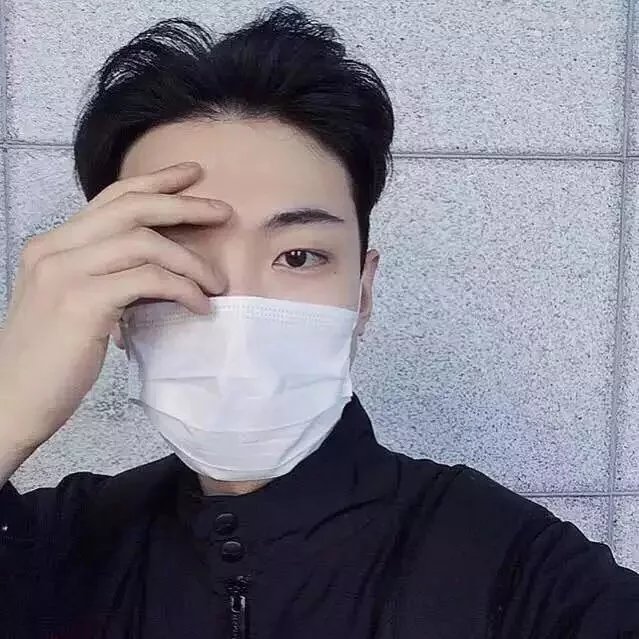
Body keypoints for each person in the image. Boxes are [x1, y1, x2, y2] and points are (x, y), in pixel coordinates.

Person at [0, 4, 638, 638]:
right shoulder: (47, 548)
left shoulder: (519, 572)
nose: (239, 307)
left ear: (362, 291)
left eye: (298, 256)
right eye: (177, 255)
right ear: (111, 306)